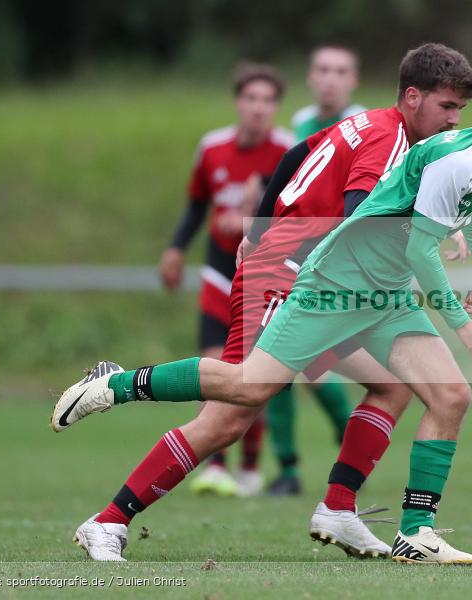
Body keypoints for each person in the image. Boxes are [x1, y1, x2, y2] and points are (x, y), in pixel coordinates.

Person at [53, 44, 472, 563]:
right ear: (413, 97)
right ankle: (111, 471)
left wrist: (255, 227)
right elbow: (359, 217)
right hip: (288, 274)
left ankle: (339, 509)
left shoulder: (368, 122)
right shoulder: (389, 142)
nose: (455, 120)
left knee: (393, 386)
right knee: (232, 415)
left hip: (326, 278)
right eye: (448, 107)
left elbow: (293, 156)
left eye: (461, 109)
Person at [157, 62, 294, 498]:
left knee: (252, 376)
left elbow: (296, 214)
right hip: (219, 273)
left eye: (267, 100)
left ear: (275, 107)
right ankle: (217, 465)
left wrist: (255, 220)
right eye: (250, 98)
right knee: (217, 366)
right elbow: (197, 204)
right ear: (238, 102)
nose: (258, 108)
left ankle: (251, 467)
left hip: (264, 277)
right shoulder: (212, 148)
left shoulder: (289, 150)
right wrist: (176, 248)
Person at [265, 45, 367, 497]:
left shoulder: (370, 126)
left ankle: (351, 449)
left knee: (306, 365)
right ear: (310, 76)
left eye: (340, 71)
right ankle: (289, 467)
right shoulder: (298, 127)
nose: (331, 79)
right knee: (282, 368)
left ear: (354, 80)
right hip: (295, 260)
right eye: (323, 70)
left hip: (344, 268)